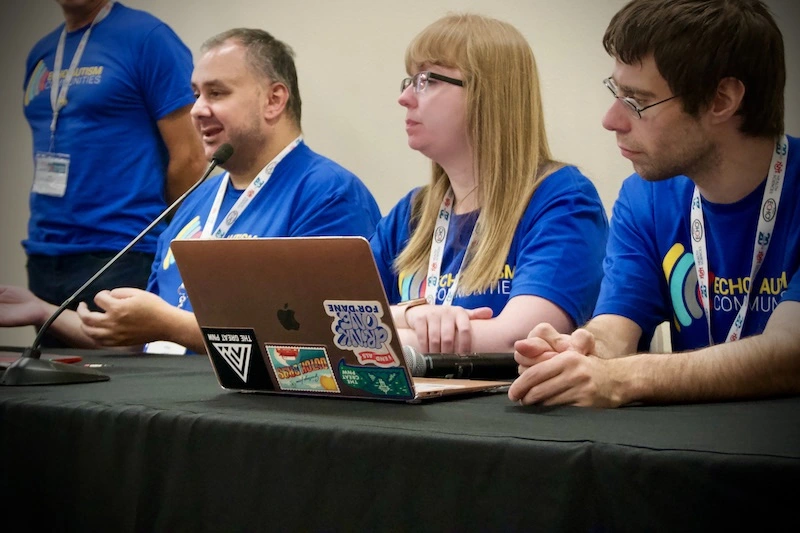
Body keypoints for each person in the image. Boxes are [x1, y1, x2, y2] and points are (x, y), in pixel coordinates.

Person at [0, 28, 381, 354]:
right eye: (196, 93)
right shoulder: (195, 200)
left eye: (216, 93)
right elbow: (138, 340)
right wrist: (40, 310)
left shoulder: (328, 194)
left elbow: (318, 343)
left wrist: (169, 325)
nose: (197, 109)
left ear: (274, 100)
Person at [509, 0, 800, 407]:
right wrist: (578, 350)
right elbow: (617, 326)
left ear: (721, 100)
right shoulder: (644, 196)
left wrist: (623, 377)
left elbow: (789, 353)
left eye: (637, 100)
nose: (611, 119)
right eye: (616, 91)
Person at [370, 13, 609, 354]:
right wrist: (410, 314)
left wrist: (392, 336)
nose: (405, 97)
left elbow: (521, 338)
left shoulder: (563, 199)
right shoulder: (414, 212)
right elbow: (339, 317)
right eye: (409, 81)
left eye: (426, 80)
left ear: (489, 94)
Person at [21, 0, 206, 345]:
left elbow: (191, 157)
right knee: (48, 392)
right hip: (47, 254)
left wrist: (171, 243)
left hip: (121, 253)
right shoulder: (42, 52)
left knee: (112, 393)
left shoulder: (149, 39)